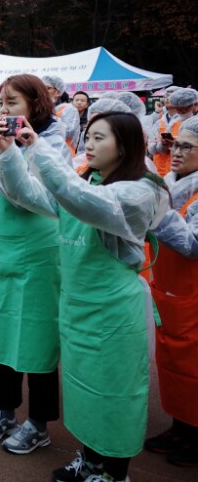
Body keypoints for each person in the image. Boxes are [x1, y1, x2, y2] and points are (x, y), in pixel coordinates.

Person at [0, 112, 168, 482]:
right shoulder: (86, 180)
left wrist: (37, 146)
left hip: (113, 310)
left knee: (115, 393)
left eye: (99, 138)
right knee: (84, 391)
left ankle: (115, 473)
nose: (88, 144)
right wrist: (8, 152)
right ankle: (90, 461)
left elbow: (83, 201)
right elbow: (29, 195)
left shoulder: (141, 190)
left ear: (125, 146)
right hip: (77, 306)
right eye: (88, 136)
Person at [0, 74, 68, 455]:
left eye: (13, 102)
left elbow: (29, 197)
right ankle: (5, 410)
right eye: (1, 103)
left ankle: (38, 422)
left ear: (36, 105)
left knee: (37, 338)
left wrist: (4, 154)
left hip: (37, 253)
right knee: (0, 332)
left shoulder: (50, 143)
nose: (4, 111)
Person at [144, 114, 198, 468]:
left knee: (193, 365)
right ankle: (181, 425)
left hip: (192, 296)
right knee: (171, 363)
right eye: (175, 145)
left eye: (187, 147)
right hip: (169, 293)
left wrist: (159, 210)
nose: (176, 152)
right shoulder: (169, 184)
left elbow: (193, 245)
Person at [152, 88, 198, 177]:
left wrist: (179, 141)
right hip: (169, 170)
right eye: (177, 108)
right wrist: (163, 143)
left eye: (184, 107)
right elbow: (157, 148)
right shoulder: (173, 122)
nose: (179, 111)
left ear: (195, 104)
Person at [42, 75, 81, 153]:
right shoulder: (41, 109)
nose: (42, 91)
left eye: (47, 88)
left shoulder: (69, 109)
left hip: (63, 153)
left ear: (58, 92)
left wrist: (49, 117)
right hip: (44, 152)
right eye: (40, 88)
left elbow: (69, 131)